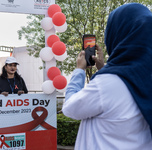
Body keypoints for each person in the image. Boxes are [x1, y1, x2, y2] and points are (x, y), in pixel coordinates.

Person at [62, 3, 152, 150]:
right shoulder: (145, 78)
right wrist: (105, 68)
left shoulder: (107, 84)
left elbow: (70, 108)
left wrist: (79, 70)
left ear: (115, 35)